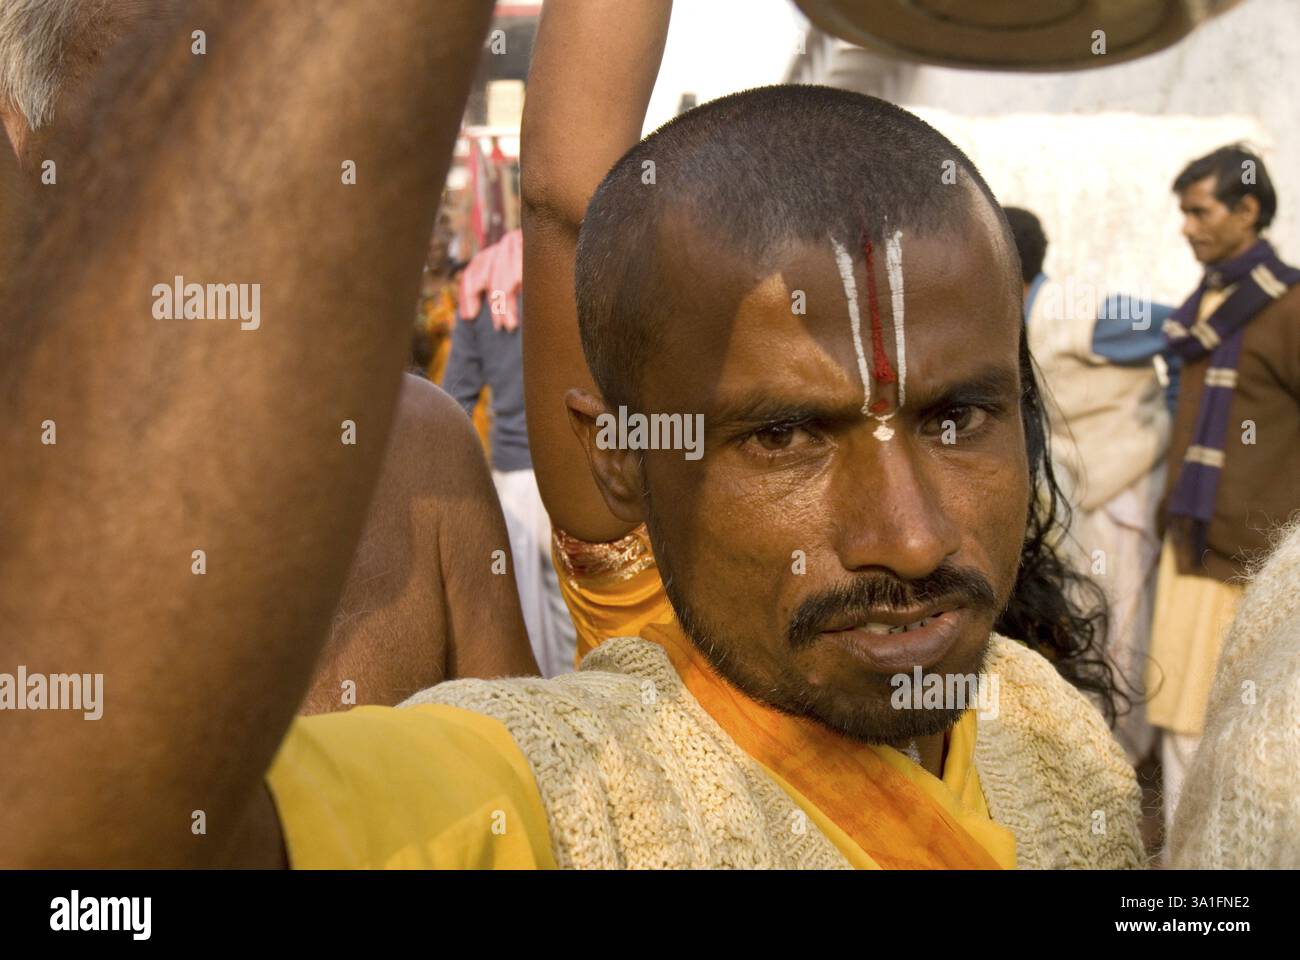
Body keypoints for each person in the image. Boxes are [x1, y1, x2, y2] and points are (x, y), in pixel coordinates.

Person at [5, 0, 1140, 869]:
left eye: (960, 416)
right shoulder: (563, 790)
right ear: (621, 454)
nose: (908, 533)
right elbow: (91, 841)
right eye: (786, 434)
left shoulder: (1050, 728)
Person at [1145, 145, 1300, 839]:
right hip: (1193, 541)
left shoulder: (1289, 305)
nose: (1186, 226)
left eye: (1199, 210)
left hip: (1258, 559)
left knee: (1254, 731)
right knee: (1180, 714)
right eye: (1182, 211)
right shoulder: (1205, 305)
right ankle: (1188, 862)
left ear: (1247, 209)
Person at [1003, 205, 1170, 764]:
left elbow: (1181, 326)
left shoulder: (1078, 311)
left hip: (1123, 489)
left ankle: (1116, 766)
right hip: (1085, 496)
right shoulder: (1019, 317)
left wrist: (1164, 416)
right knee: (1093, 621)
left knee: (1120, 630)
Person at [443, 228, 577, 676]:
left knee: (528, 624)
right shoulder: (565, 274)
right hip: (575, 471)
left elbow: (456, 397)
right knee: (578, 611)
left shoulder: (478, 289)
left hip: (513, 480)